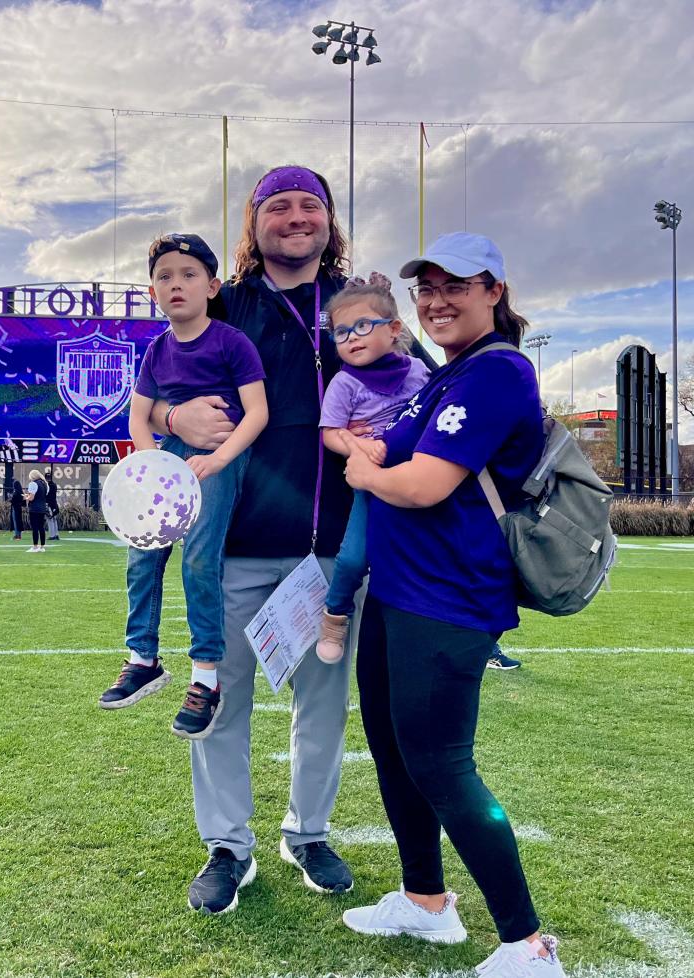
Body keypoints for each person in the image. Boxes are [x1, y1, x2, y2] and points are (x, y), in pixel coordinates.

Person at [144, 168, 433, 914]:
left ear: (329, 221)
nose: (295, 217)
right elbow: (154, 394)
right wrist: (177, 423)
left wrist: (397, 427)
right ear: (255, 222)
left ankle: (307, 832)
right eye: (279, 206)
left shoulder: (357, 305)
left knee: (324, 705)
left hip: (336, 547)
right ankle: (227, 846)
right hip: (235, 544)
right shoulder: (227, 304)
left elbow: (421, 383)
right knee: (221, 699)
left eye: (310, 205)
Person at [339, 233, 566, 977]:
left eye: (455, 285)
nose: (436, 300)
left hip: (449, 599)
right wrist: (373, 461)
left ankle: (527, 945)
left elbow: (420, 482)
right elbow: (380, 448)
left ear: (495, 291)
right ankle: (426, 902)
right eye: (425, 288)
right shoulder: (449, 375)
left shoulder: (495, 374)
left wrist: (370, 474)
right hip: (401, 592)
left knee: (440, 763)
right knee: (395, 753)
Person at [98, 233, 268, 741]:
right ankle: (142, 656)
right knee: (141, 552)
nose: (177, 285)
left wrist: (217, 460)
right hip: (168, 459)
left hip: (219, 460)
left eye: (189, 275)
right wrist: (149, 459)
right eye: (164, 277)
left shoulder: (231, 341)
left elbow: (257, 412)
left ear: (213, 286)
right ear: (152, 291)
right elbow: (137, 415)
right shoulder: (156, 349)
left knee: (199, 556)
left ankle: (205, 676)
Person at [314, 273, 430, 664]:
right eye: (341, 332)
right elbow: (329, 432)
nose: (351, 338)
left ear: (394, 329)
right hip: (372, 485)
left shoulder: (417, 371)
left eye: (362, 326)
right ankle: (334, 616)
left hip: (421, 479)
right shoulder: (344, 383)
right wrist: (356, 445)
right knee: (351, 558)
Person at [25, 468, 48, 552]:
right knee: (41, 527)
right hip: (42, 508)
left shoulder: (33, 484)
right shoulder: (45, 484)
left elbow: (31, 498)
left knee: (35, 527)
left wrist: (25, 497)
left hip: (34, 508)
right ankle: (42, 547)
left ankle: (35, 547)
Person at [44, 470, 60, 541]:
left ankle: (52, 535)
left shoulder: (47, 486)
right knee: (54, 520)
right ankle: (56, 535)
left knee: (50, 520)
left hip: (49, 504)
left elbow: (47, 496)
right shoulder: (54, 485)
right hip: (54, 504)